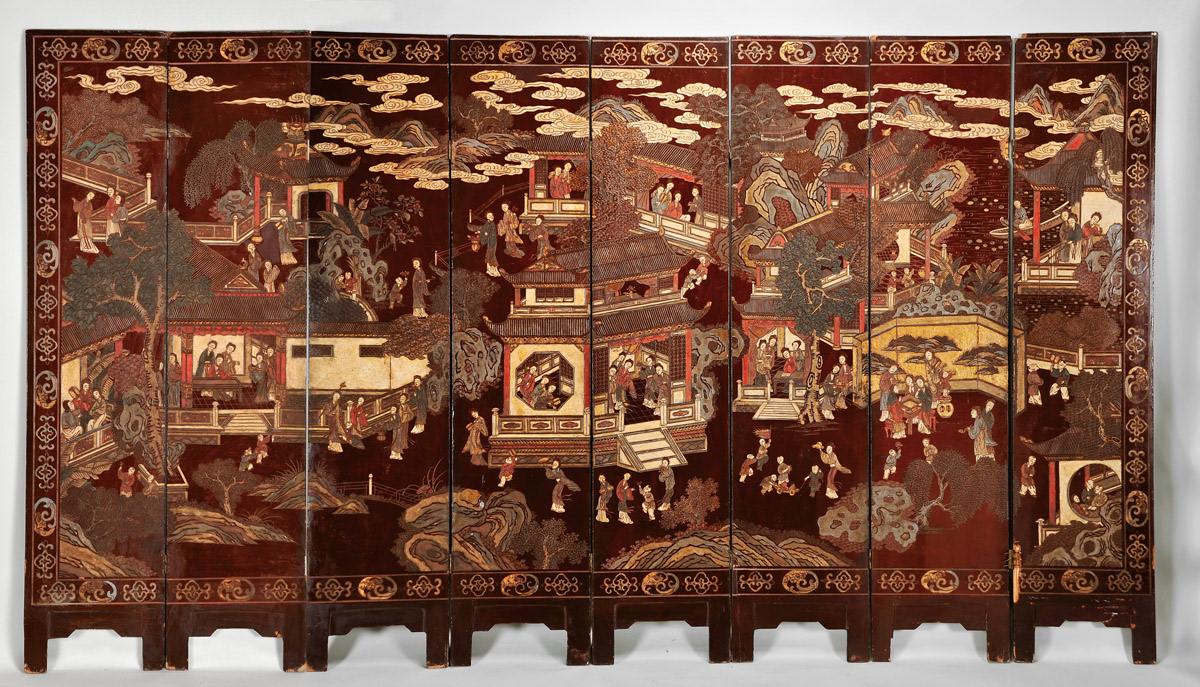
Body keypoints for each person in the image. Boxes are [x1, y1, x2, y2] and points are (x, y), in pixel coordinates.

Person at [389, 393, 414, 460]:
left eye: (403, 398)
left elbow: (411, 415)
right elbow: (393, 414)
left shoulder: (406, 406)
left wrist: (405, 416)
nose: (401, 399)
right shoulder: (397, 406)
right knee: (396, 438)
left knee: (402, 437)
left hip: (405, 424)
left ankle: (398, 453)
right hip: (398, 425)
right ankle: (393, 453)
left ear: (406, 399)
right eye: (401, 398)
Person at [477, 211, 499, 277]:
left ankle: (493, 270)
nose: (491, 216)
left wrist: (484, 234)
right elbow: (484, 230)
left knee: (491, 254)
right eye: (489, 215)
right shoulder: (488, 223)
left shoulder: (492, 223)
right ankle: (491, 270)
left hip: (493, 241)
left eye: (491, 215)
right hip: (491, 241)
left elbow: (487, 231)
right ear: (486, 217)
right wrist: (482, 232)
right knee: (490, 254)